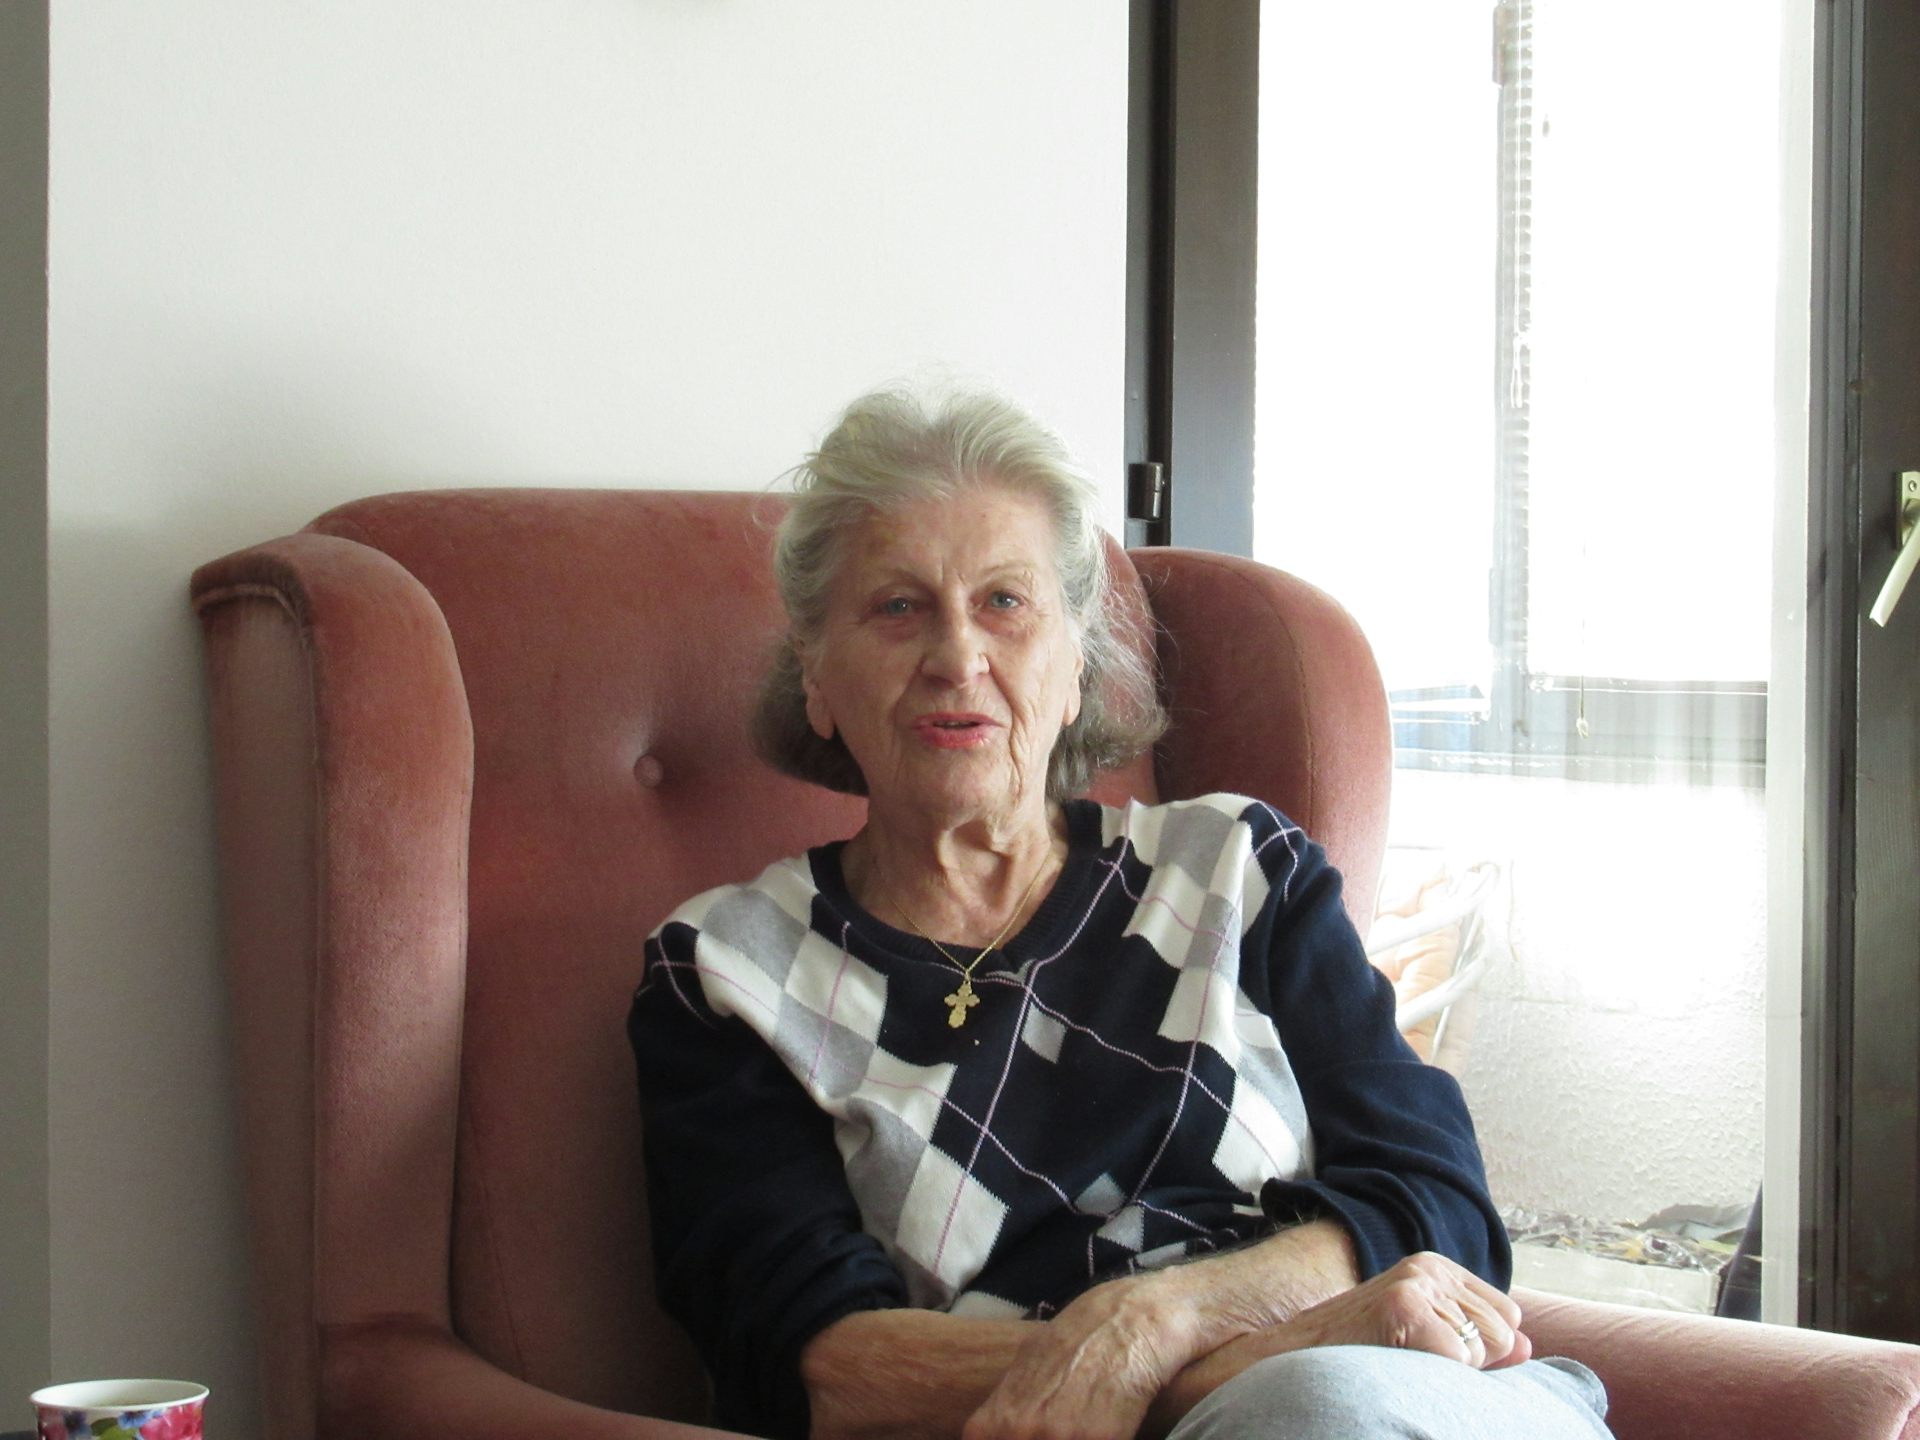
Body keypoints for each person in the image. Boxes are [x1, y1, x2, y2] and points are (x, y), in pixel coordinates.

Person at [628, 388, 1611, 1440]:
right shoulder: (728, 973)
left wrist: (1159, 1321)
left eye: (1005, 603)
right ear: (817, 676)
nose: (959, 656)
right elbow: (830, 1368)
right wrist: (1242, 1355)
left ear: (1073, 672)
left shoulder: (1241, 871)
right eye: (898, 607)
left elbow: (1438, 1206)